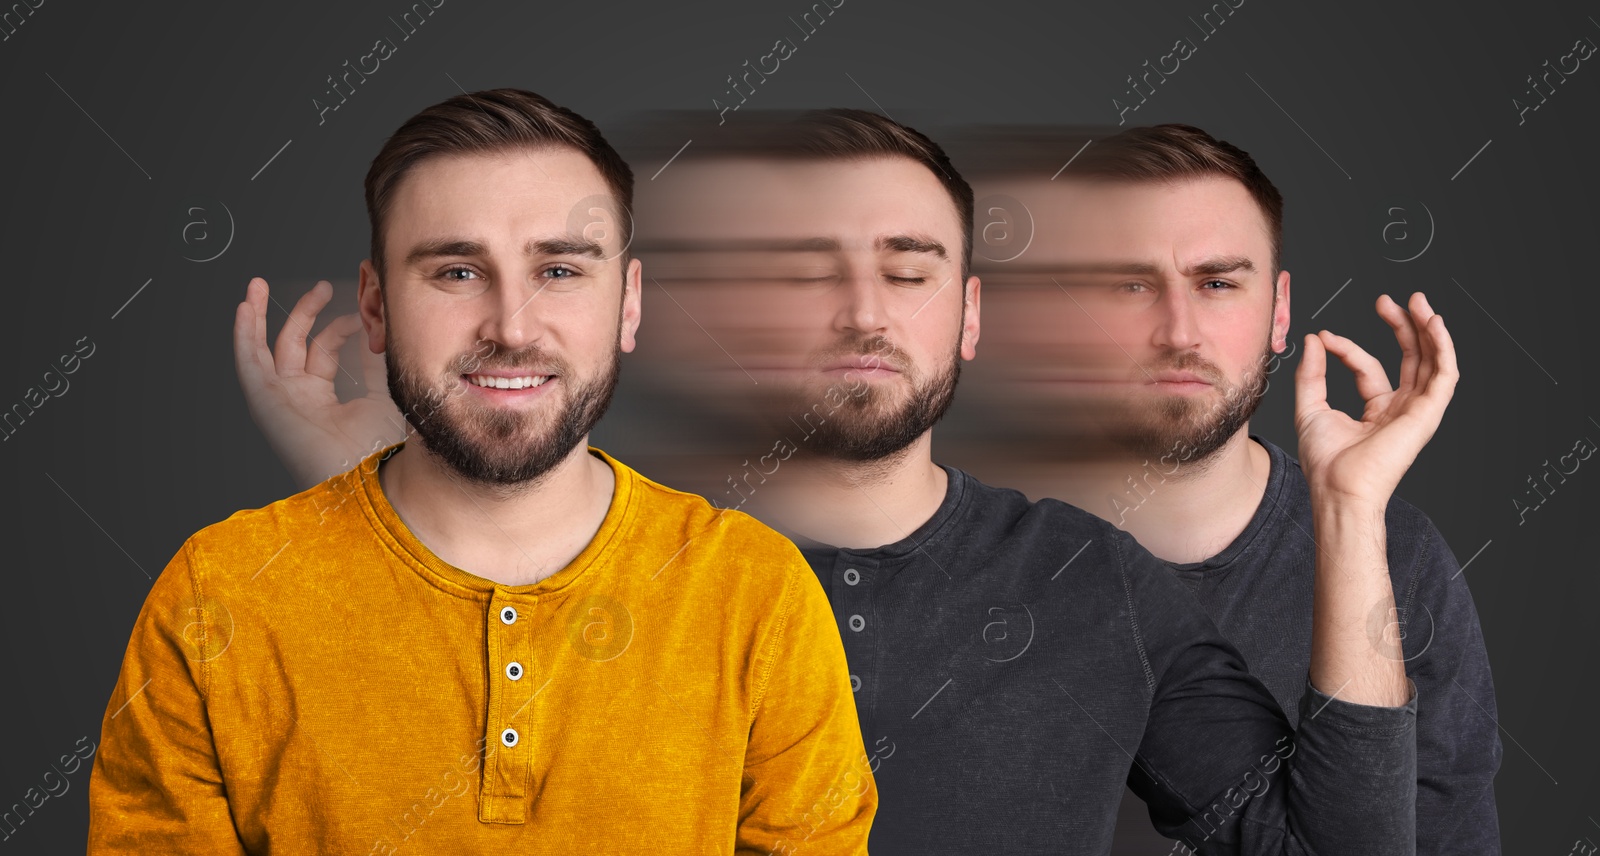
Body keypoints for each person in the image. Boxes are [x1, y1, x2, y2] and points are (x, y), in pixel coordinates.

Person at [234, 107, 1447, 855]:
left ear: (968, 316)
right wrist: (369, 490)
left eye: (908, 271)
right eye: (810, 270)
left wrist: (1347, 515)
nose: (863, 311)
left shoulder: (1091, 580)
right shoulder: (639, 573)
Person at [87, 89, 875, 854]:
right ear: (375, 308)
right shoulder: (215, 595)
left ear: (629, 305)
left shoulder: (757, 593)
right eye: (457, 272)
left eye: (560, 270)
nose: (512, 326)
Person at [960, 123, 1501, 854]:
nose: (1178, 331)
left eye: (1217, 283)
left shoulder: (1392, 555)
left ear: (1279, 312)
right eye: (1129, 285)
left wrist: (1348, 512)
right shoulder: (972, 555)